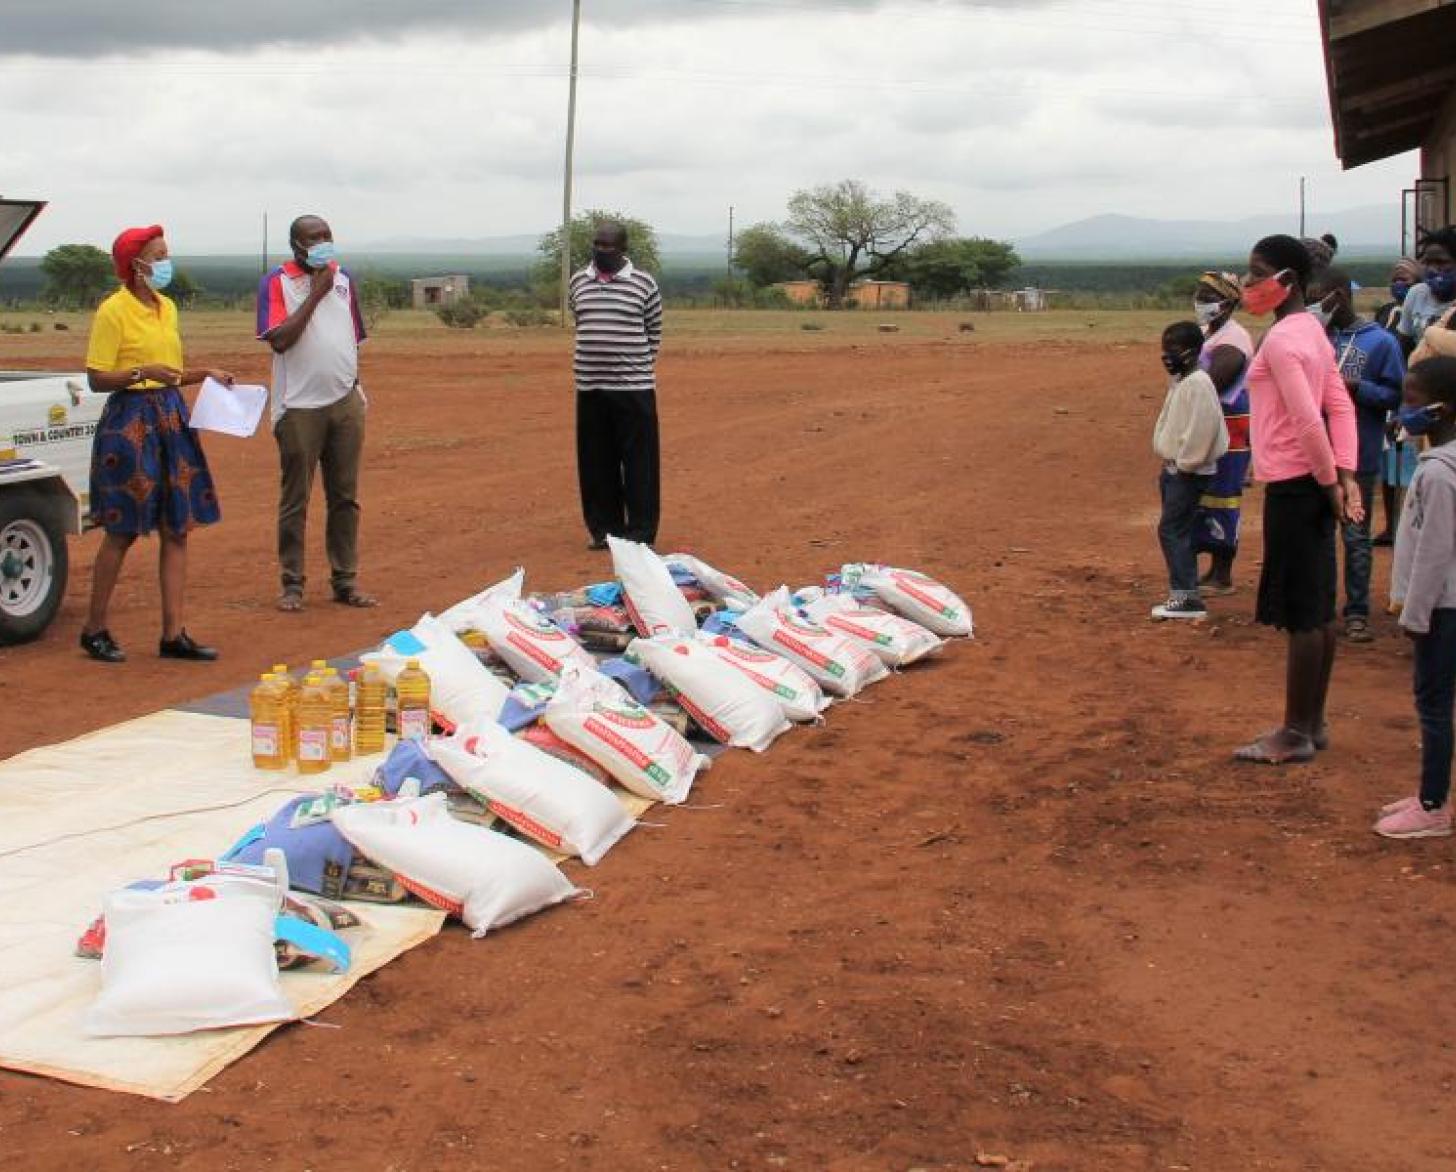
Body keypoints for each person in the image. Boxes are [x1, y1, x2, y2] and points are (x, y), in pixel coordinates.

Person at [1233, 235, 1360, 765]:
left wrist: (1331, 483)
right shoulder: (1312, 329)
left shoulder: (1285, 339)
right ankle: (1314, 723)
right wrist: (1346, 475)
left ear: (1288, 280)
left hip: (1295, 482)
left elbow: (1310, 416)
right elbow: (1340, 405)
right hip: (1317, 479)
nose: (1249, 282)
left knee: (1303, 615)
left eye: (1258, 271)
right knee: (1320, 606)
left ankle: (1295, 732)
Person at [79, 225, 232, 663]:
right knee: (122, 529)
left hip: (169, 415)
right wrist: (139, 370)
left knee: (176, 527)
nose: (165, 262)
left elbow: (172, 371)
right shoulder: (113, 311)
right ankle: (94, 629)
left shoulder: (166, 307)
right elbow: (96, 377)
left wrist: (206, 373)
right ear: (136, 265)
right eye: (158, 255)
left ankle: (173, 634)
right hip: (130, 421)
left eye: (167, 253)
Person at [256, 215, 376, 612]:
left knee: (346, 497)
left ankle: (345, 579)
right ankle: (292, 584)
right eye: (314, 238)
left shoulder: (344, 279)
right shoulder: (277, 282)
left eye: (327, 235)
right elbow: (280, 341)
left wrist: (355, 390)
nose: (323, 242)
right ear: (296, 245)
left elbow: (351, 338)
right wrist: (315, 294)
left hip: (345, 401)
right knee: (296, 499)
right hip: (298, 408)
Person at [1376, 356, 1456, 838]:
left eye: (1412, 402)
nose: (1405, 410)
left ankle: (1432, 807)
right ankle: (1432, 795)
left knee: (1433, 703)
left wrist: (1415, 612)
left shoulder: (1438, 475)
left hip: (1442, 608)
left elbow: (1434, 553)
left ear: (1442, 410)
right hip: (1443, 605)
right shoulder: (1439, 465)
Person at [1310, 267, 1406, 641]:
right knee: (1317, 534)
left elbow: (1395, 395)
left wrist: (1356, 389)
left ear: (1340, 296)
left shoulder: (1380, 342)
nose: (1316, 306)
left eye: (1320, 298)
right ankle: (1320, 605)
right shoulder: (1317, 338)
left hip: (1358, 455)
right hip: (1316, 454)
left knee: (1355, 535)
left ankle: (1357, 611)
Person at [569, 220, 664, 550]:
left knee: (639, 463)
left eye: (608, 247)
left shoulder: (643, 283)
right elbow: (581, 320)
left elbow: (653, 332)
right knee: (596, 462)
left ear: (623, 249)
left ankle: (639, 534)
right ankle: (605, 531)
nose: (601, 252)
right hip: (590, 386)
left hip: (633, 388)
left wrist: (634, 366)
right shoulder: (578, 281)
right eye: (597, 245)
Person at [1151, 322, 1228, 620]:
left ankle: (1185, 597)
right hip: (1178, 469)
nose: (1167, 356)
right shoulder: (1185, 381)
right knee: (1177, 528)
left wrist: (1185, 465)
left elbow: (1202, 430)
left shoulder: (1198, 383)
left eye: (1172, 350)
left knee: (1172, 529)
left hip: (1187, 472)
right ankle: (1185, 592)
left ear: (1193, 352)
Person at [1191, 272, 1254, 594]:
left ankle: (1222, 572)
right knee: (1205, 496)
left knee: (1223, 497)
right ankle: (1213, 568)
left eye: (1207, 295)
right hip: (1212, 423)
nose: (1200, 301)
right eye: (1199, 294)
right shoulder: (1209, 332)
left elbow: (1212, 382)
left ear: (1228, 303)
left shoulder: (1234, 340)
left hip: (1228, 425)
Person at [1396, 226, 1456, 358]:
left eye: (1442, 262)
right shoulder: (1416, 294)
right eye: (1427, 262)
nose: (1433, 269)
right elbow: (1403, 346)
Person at [1375, 256, 1421, 332]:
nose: (1398, 284)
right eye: (1395, 280)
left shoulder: (1421, 313)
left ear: (1417, 282)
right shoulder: (1384, 310)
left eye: (1403, 280)